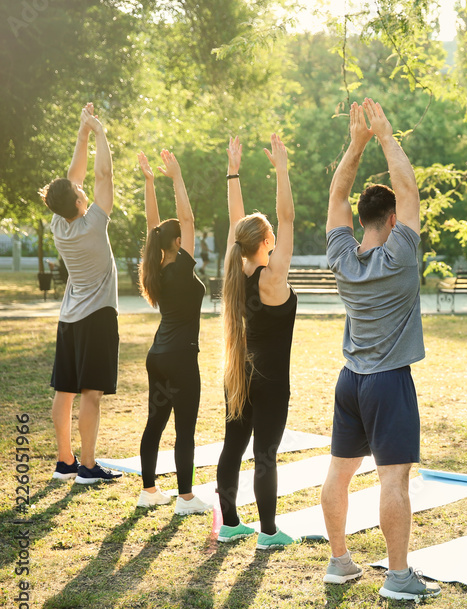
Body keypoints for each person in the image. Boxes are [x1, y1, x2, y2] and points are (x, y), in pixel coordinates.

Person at [319, 99, 439, 600]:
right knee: (394, 479)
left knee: (339, 473)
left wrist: (356, 144)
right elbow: (409, 188)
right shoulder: (401, 254)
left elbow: (337, 193)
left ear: (359, 220)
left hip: (351, 380)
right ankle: (397, 576)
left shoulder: (341, 255)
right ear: (391, 219)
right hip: (389, 382)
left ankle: (339, 561)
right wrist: (386, 135)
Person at [215, 134, 298, 549]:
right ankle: (267, 532)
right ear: (266, 243)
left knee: (234, 447)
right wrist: (282, 170)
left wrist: (234, 171)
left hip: (239, 373)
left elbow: (238, 226)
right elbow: (288, 217)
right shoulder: (273, 277)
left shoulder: (237, 272)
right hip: (271, 382)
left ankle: (229, 523)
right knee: (265, 452)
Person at [41, 103, 123, 485]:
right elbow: (103, 173)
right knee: (91, 392)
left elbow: (71, 179)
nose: (82, 187)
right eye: (79, 191)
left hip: (68, 318)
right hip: (97, 317)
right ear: (78, 202)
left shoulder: (60, 223)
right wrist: (101, 134)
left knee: (66, 391)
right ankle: (87, 467)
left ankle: (64, 461)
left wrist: (82, 132)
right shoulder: (93, 223)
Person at [134, 149, 212, 515]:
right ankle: (184, 499)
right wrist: (176, 177)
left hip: (159, 357)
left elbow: (154, 225)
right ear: (176, 242)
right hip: (181, 358)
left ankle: (149, 491)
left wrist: (150, 182)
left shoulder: (155, 266)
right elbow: (187, 217)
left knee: (156, 422)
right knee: (184, 429)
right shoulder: (181, 266)